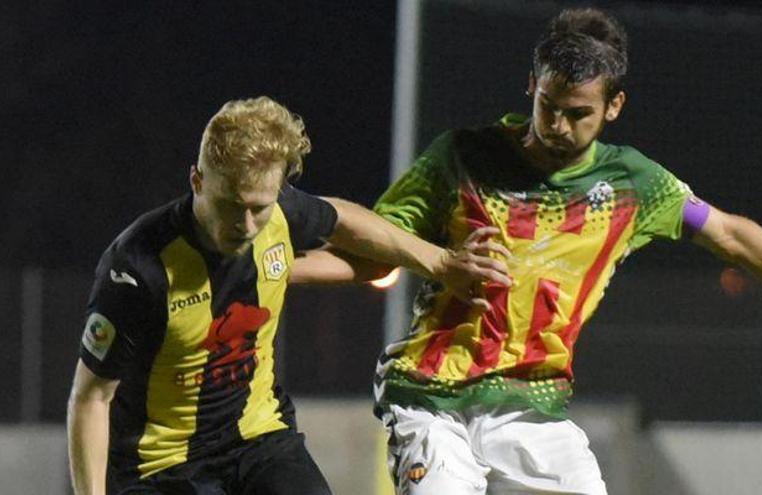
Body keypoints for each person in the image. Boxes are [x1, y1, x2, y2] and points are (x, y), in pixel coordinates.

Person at [351, 8, 762, 495]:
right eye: (548, 108)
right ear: (531, 85)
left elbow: (732, 235)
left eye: (578, 113)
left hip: (531, 405)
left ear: (613, 107)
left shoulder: (633, 185)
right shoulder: (463, 156)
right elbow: (375, 240)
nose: (557, 126)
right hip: (430, 393)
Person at [66, 96, 511, 495]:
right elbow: (90, 399)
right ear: (197, 181)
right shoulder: (137, 267)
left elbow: (344, 220)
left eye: (259, 207)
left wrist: (439, 262)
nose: (244, 225)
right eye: (229, 204)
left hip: (258, 439)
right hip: (161, 467)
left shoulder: (280, 213)